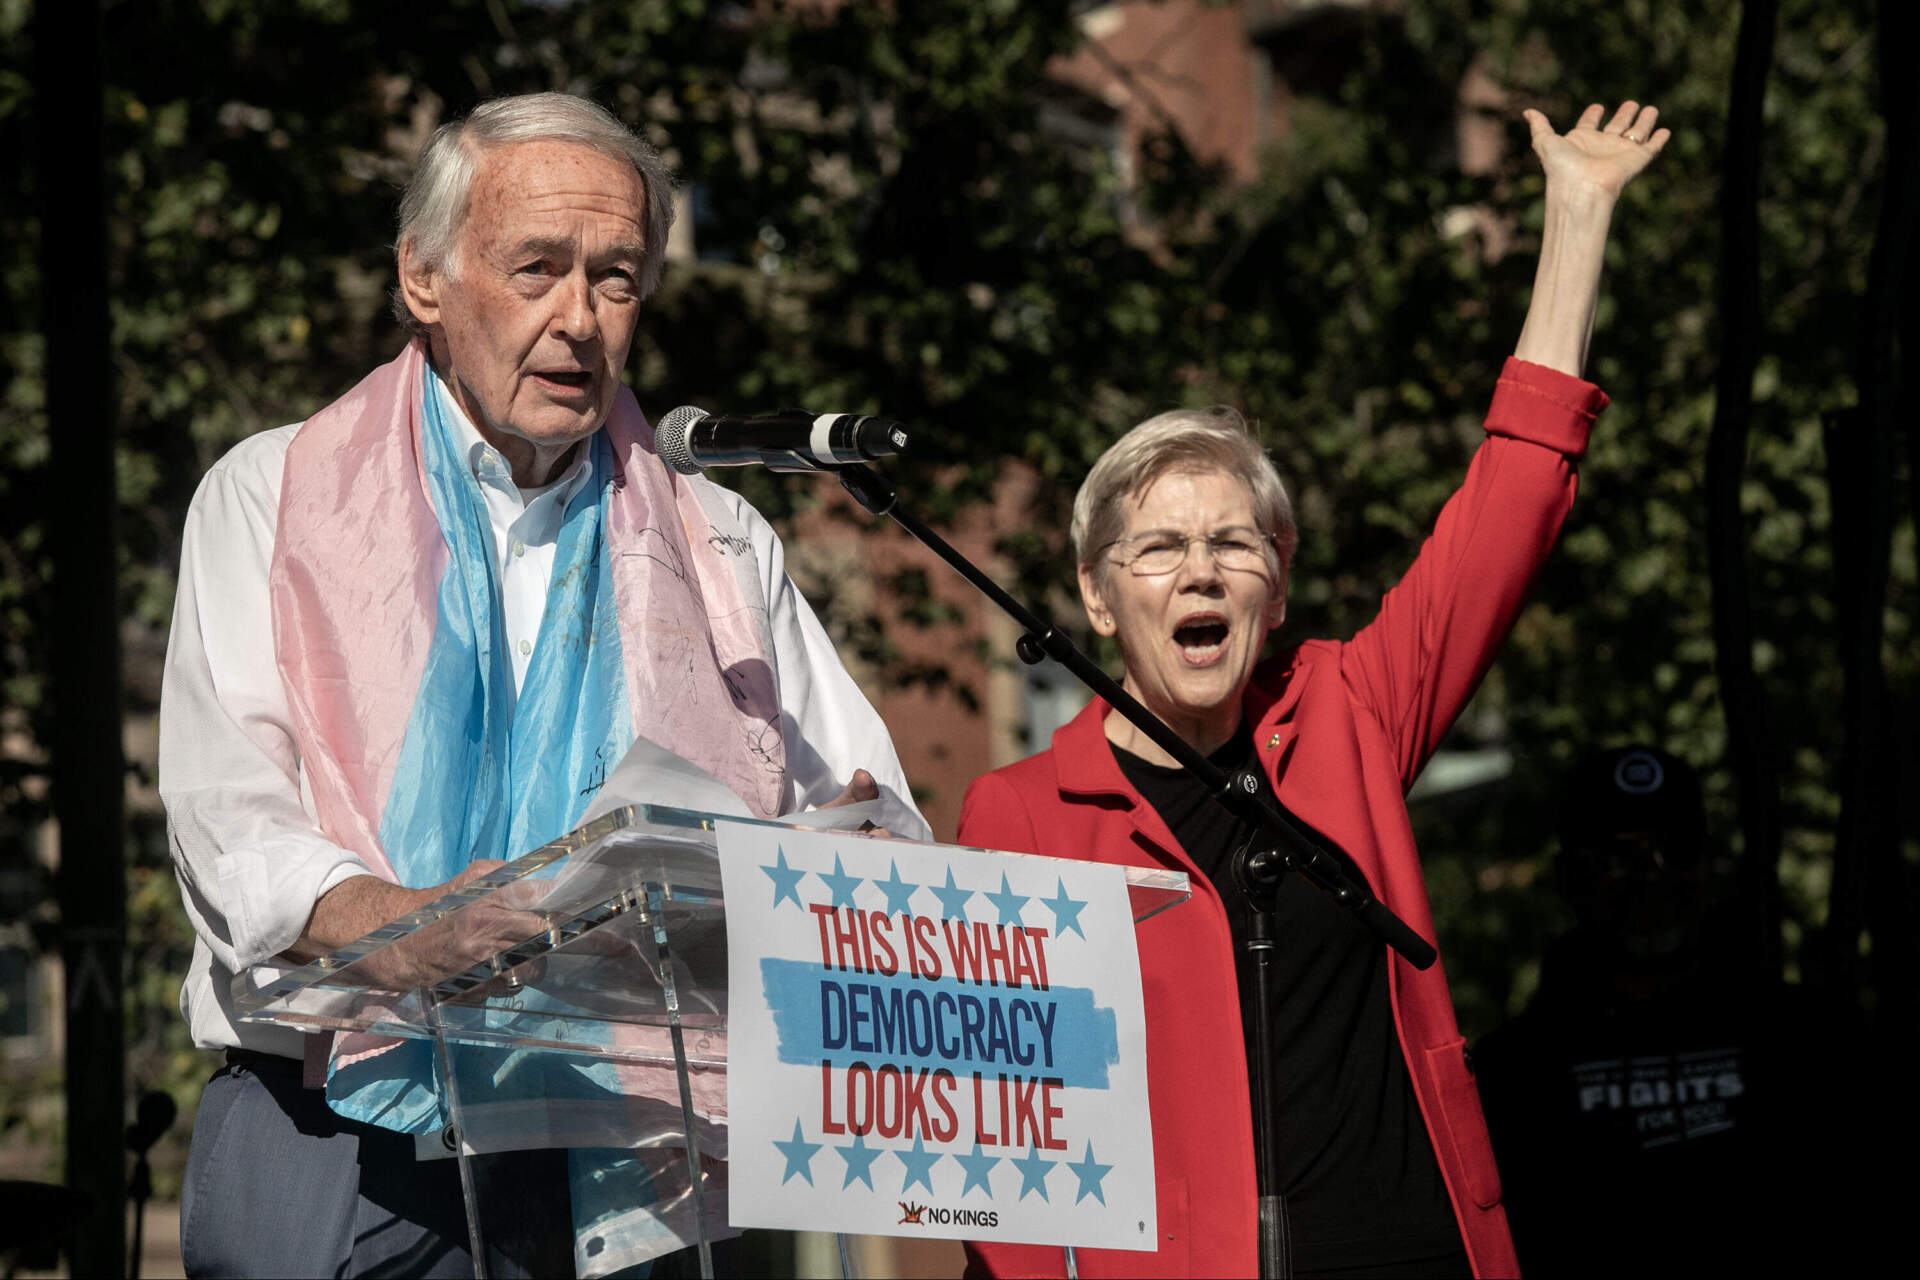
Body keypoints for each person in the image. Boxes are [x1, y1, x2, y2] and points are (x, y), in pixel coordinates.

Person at [160, 92, 927, 1278]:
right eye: (537, 268)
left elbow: (873, 823)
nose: (579, 318)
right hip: (337, 1122)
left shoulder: (718, 537)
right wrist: (404, 928)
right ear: (423, 274)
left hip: (641, 1141)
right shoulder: (272, 494)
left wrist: (843, 852)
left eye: (617, 278)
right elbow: (227, 816)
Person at [956, 102, 1668, 1279]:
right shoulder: (1022, 813)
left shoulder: (1346, 712)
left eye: (1235, 544)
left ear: (1276, 588)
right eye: (1159, 548)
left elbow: (1509, 510)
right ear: (1092, 596)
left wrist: (1577, 216)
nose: (1200, 569)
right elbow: (999, 1138)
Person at [1472, 746, 1848, 1276]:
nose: (1651, 877)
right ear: (1568, 879)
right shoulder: (1513, 1072)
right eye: (1617, 858)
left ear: (1709, 867)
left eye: (1677, 850)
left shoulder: (1807, 1039)